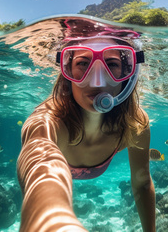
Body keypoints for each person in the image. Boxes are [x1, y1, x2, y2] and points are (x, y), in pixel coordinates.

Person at [17, 34, 155, 232]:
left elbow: (142, 184)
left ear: (129, 74)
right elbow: (39, 164)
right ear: (67, 70)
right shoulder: (47, 122)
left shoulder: (135, 124)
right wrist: (51, 221)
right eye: (83, 63)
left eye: (112, 64)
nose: (97, 81)